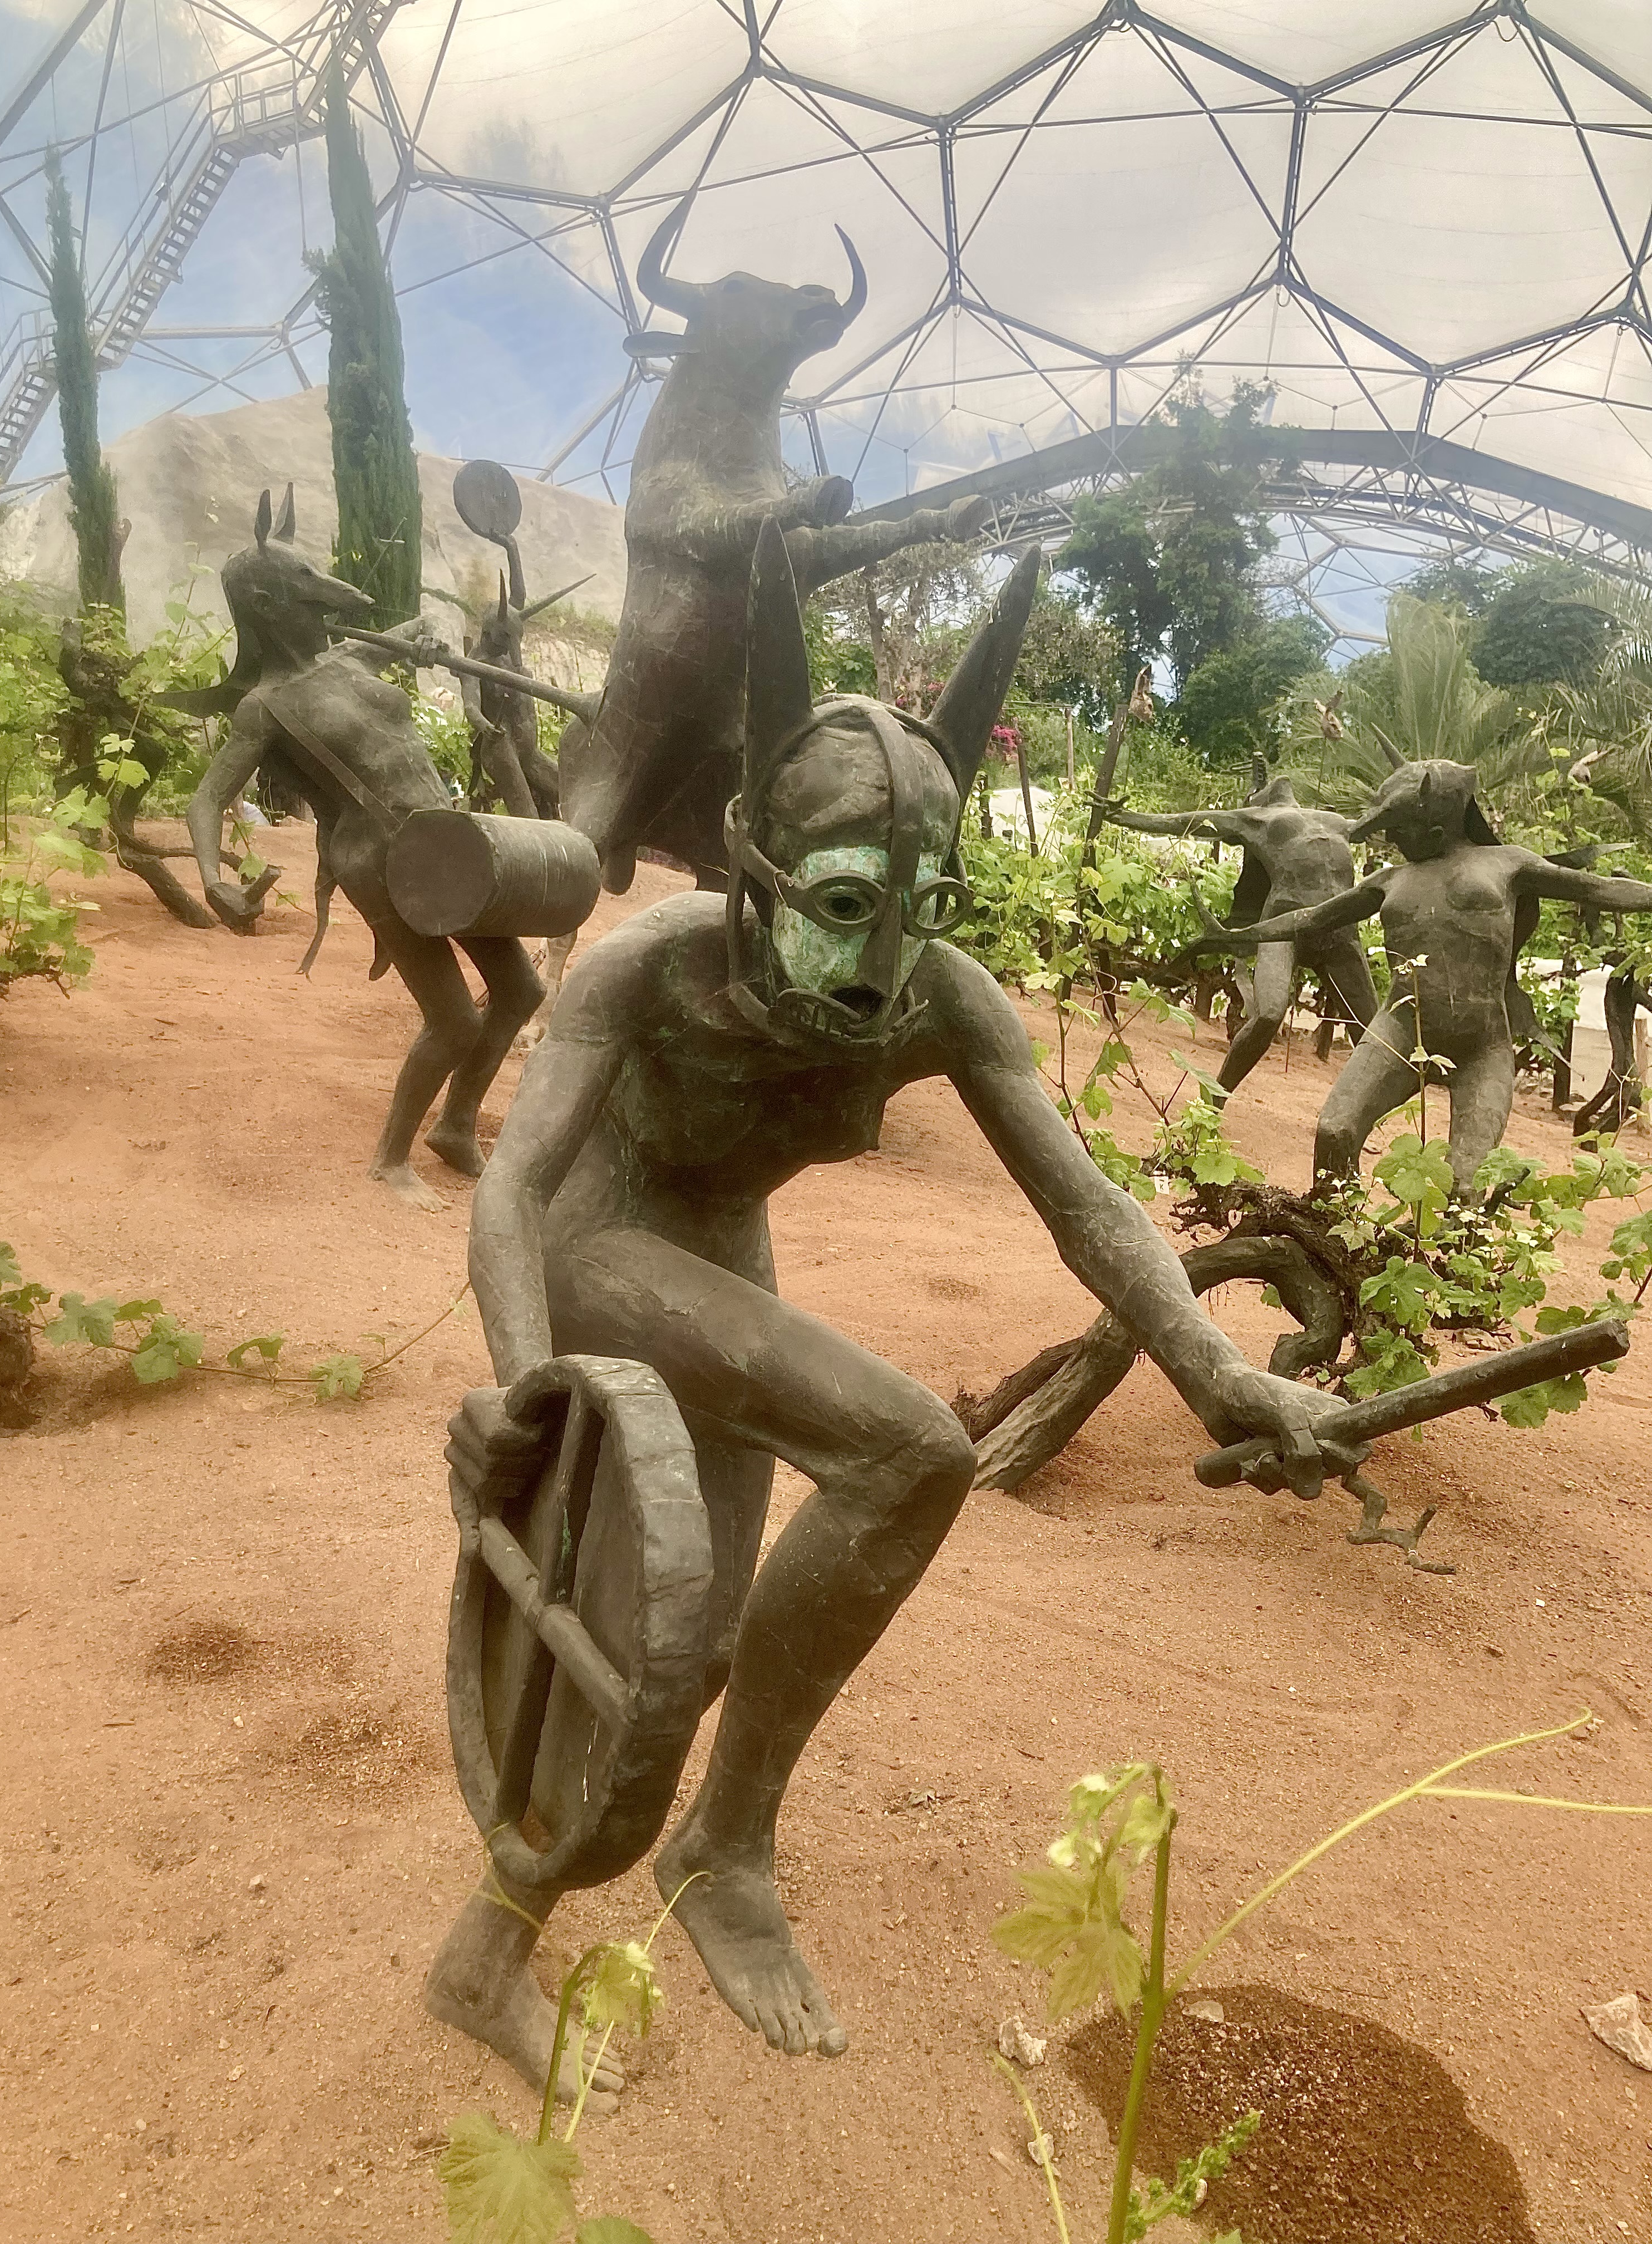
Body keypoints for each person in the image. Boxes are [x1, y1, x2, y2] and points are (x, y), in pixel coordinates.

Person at [426, 525, 1355, 2092]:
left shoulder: (940, 997)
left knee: (691, 1638)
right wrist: (523, 1386)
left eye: (921, 904)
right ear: (755, 860)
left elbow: (1086, 1203)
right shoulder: (649, 970)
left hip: (714, 1257)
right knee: (912, 1450)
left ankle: (495, 1948)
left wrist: (1219, 1375)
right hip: (596, 1243)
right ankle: (728, 1846)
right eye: (846, 900)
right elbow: (513, 1188)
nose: (879, 961)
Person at [187, 488, 544, 1210]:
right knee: (454, 1021)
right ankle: (391, 1160)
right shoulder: (265, 706)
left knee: (521, 991)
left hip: (446, 841)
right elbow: (206, 798)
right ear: (266, 600)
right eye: (306, 582)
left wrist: (432, 640)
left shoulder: (352, 660)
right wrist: (210, 876)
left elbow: (423, 626)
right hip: (382, 862)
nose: (328, 591)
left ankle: (457, 1126)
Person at [1189, 755, 1652, 1187]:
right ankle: (1330, 1227)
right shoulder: (1391, 880)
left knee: (1466, 1183)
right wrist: (1235, 935)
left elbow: (1599, 889)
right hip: (1400, 1033)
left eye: (1398, 829)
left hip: (1481, 1046)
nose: (1391, 840)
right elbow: (1310, 919)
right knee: (1335, 1131)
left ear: (1436, 827)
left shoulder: (1508, 864)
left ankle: (1455, 1246)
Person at [1099, 765, 1378, 1092]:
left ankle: (1370, 1112)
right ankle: (1217, 1096)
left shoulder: (1332, 821)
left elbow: (1193, 820)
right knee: (1268, 1016)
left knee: (1373, 1033)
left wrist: (1125, 817)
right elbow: (1193, 822)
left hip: (1340, 929)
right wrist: (1125, 818)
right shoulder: (1260, 819)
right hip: (1283, 927)